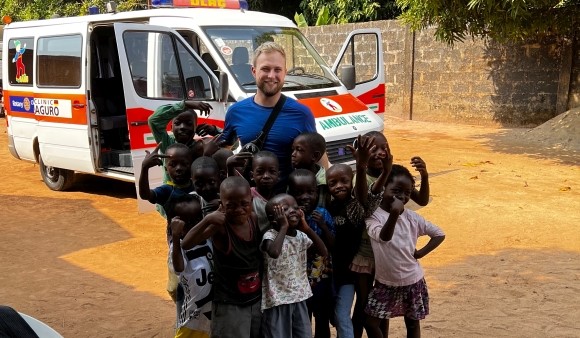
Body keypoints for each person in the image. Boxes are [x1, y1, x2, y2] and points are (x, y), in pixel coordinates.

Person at [221, 41, 316, 190]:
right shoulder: (236, 112)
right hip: (248, 204)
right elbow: (225, 150)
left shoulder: (302, 114)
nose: (271, 76)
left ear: (285, 72)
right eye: (265, 69)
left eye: (277, 70)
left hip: (287, 203)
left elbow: (317, 156)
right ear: (253, 71)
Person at [364, 165, 445, 338]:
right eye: (396, 190)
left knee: (412, 324)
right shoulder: (374, 216)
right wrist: (394, 214)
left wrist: (421, 253)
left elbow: (439, 234)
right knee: (370, 323)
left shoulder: (412, 217)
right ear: (383, 187)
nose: (402, 197)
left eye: (407, 193)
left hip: (412, 281)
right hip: (385, 283)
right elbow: (384, 237)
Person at [180, 177, 262, 338]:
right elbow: (187, 244)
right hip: (230, 304)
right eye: (231, 206)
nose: (239, 209)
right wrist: (207, 219)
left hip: (255, 300)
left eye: (244, 204)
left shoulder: (253, 218)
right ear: (222, 205)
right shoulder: (220, 227)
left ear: (251, 200)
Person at [325, 135, 389, 338]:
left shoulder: (354, 207)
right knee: (350, 310)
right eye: (332, 183)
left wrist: (361, 167)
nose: (339, 186)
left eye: (344, 181)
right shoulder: (330, 207)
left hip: (367, 259)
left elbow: (364, 202)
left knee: (369, 307)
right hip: (344, 270)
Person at [261, 193, 328, 338]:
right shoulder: (270, 236)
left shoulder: (301, 236)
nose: (292, 210)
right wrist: (284, 226)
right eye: (285, 209)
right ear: (273, 219)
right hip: (278, 300)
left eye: (295, 207)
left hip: (299, 297)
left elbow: (323, 252)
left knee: (303, 334)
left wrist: (308, 229)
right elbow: (274, 252)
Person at [287, 169, 336, 338]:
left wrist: (322, 226)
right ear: (290, 193)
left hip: (321, 279)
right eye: (299, 193)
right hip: (298, 281)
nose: (305, 197)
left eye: (310, 192)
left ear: (317, 192)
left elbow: (331, 245)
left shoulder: (322, 214)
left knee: (322, 317)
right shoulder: (289, 218)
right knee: (302, 319)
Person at [167, 194, 213, 338]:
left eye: (198, 220)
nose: (194, 227)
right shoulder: (178, 247)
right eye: (187, 223)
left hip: (214, 311)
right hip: (193, 315)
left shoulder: (209, 238)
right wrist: (175, 236)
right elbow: (179, 268)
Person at [148, 100, 212, 186]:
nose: (182, 127)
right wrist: (184, 104)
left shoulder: (201, 146)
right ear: (171, 127)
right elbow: (154, 121)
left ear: (195, 127)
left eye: (188, 124)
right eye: (177, 123)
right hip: (171, 193)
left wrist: (215, 130)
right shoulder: (167, 144)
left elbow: (233, 145)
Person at [291, 132, 329, 207]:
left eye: (299, 150)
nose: (293, 154)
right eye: (293, 149)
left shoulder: (322, 181)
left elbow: (321, 207)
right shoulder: (293, 174)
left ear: (315, 156)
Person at [250, 151, 280, 233]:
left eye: (272, 171)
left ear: (278, 176)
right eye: (260, 172)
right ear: (252, 176)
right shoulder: (249, 195)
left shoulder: (280, 200)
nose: (266, 176)